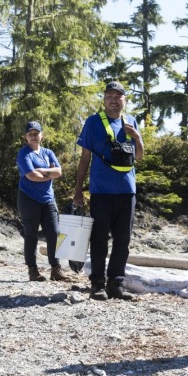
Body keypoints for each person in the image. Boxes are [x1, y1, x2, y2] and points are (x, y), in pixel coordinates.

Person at [74, 81, 144, 301]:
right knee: (99, 240)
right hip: (101, 192)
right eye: (109, 96)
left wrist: (136, 136)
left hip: (127, 192)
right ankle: (97, 284)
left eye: (118, 96)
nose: (114, 100)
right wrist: (78, 191)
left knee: (123, 241)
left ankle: (116, 284)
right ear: (104, 100)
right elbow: (85, 159)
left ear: (124, 100)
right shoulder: (93, 122)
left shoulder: (130, 121)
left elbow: (139, 156)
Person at [16, 121, 69, 282]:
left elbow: (59, 172)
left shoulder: (48, 152)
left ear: (42, 135)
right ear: (25, 136)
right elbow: (33, 176)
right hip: (28, 198)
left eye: (36, 133)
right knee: (31, 235)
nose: (33, 136)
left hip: (48, 199)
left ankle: (56, 269)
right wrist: (48, 172)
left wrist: (43, 171)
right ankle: (33, 271)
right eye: (30, 133)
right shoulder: (23, 154)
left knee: (54, 234)